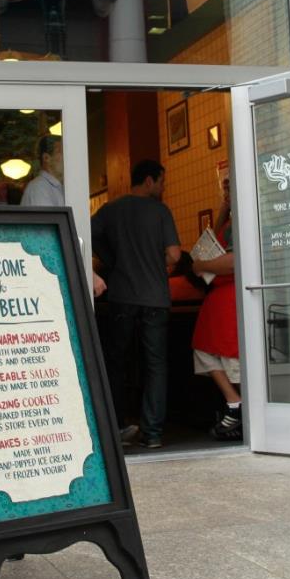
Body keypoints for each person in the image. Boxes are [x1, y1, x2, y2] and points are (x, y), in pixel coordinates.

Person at [91, 159, 181, 449]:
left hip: (121, 297)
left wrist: (111, 259)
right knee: (155, 365)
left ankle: (118, 427)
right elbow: (175, 255)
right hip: (155, 297)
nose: (163, 186)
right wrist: (159, 263)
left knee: (117, 363)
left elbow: (86, 234)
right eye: (161, 181)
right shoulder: (160, 212)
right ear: (148, 181)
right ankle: (152, 432)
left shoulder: (111, 209)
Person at [191, 175, 241, 440]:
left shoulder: (242, 223)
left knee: (230, 356)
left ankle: (237, 406)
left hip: (230, 296)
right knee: (207, 350)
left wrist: (202, 267)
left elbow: (231, 261)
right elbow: (211, 243)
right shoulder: (232, 221)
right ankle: (234, 402)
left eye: (230, 187)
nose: (227, 192)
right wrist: (223, 209)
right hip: (219, 297)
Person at [20, 135, 64, 207]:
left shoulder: (60, 186)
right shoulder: (39, 188)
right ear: (46, 158)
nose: (65, 156)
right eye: (60, 151)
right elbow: (50, 218)